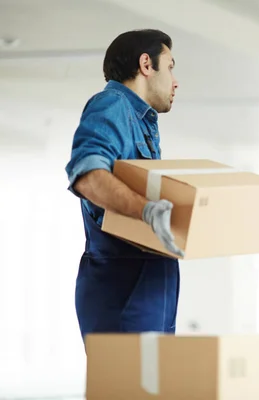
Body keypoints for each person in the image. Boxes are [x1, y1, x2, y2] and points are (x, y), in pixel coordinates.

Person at [65, 29, 184, 341]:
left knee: (152, 388)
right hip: (123, 288)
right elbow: (88, 175)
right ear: (146, 64)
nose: (175, 81)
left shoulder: (140, 121)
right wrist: (146, 211)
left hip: (150, 288)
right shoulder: (112, 105)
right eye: (170, 66)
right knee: (127, 388)